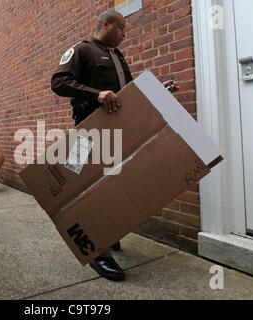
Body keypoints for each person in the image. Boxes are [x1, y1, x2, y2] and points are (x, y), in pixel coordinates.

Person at [51, 10, 179, 281]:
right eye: (121, 28)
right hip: (87, 130)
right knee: (87, 186)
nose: (125, 34)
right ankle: (98, 252)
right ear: (105, 24)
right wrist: (97, 94)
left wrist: (160, 90)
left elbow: (128, 92)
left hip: (115, 131)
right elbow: (59, 82)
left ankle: (107, 232)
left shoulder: (118, 57)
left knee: (114, 182)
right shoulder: (81, 50)